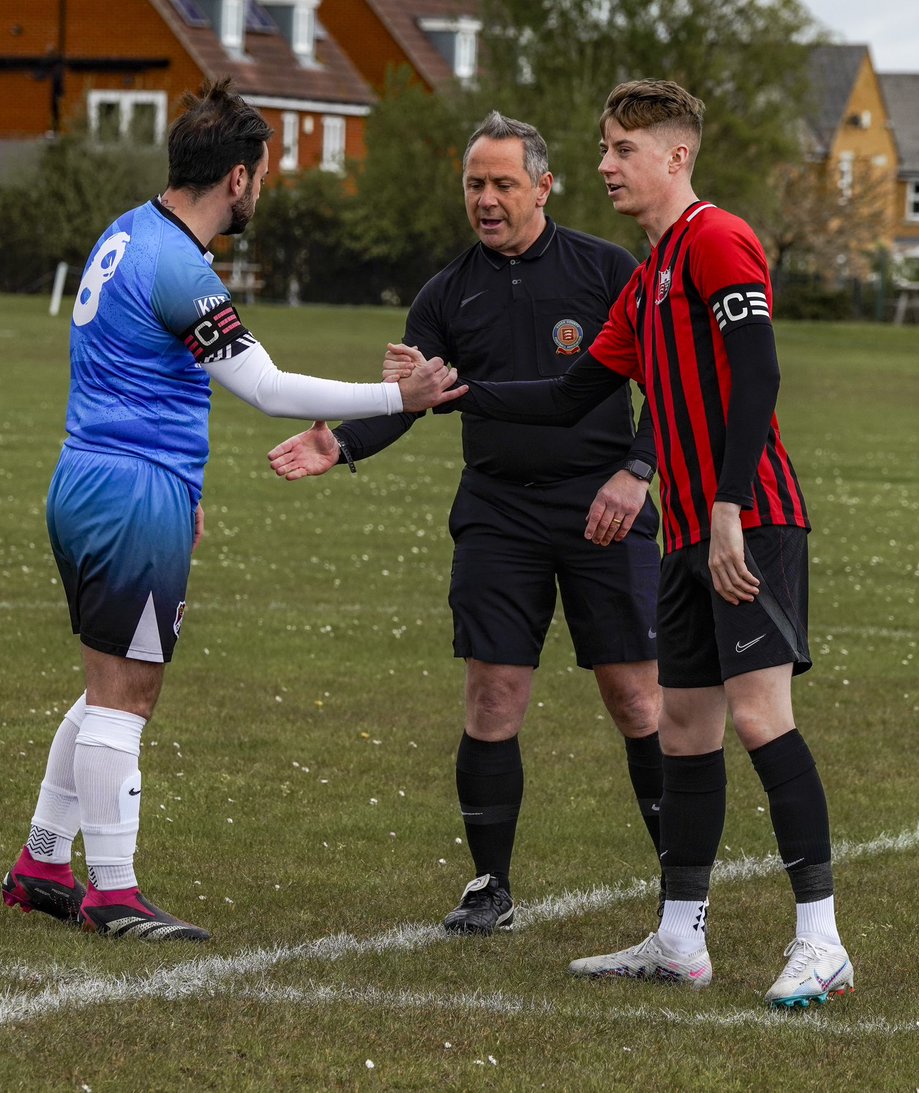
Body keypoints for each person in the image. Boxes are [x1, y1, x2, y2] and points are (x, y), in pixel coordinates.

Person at [387, 80, 853, 1008]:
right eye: (602, 149)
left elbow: (758, 372)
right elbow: (567, 396)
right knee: (683, 730)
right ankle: (680, 939)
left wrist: (725, 505)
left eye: (621, 151)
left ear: (675, 156)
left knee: (761, 719)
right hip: (684, 529)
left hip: (746, 518)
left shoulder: (718, 239)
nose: (605, 166)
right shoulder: (649, 279)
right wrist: (451, 391)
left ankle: (822, 939)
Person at [0, 78, 465, 943]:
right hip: (130, 493)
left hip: (92, 477)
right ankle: (112, 890)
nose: (263, 188)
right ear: (239, 179)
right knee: (125, 695)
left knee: (106, 680)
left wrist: (185, 486)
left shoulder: (126, 231)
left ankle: (39, 862)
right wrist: (399, 398)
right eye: (264, 172)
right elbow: (269, 387)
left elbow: (136, 374)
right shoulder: (179, 265)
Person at [267, 112, 664, 936]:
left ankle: (681, 884)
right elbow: (411, 401)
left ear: (544, 186)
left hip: (604, 504)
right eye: (474, 185)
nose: (485, 199)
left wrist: (637, 471)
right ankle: (490, 884)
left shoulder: (607, 269)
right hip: (498, 511)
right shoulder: (448, 293)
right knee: (492, 696)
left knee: (635, 697)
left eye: (502, 184)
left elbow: (668, 383)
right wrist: (340, 442)